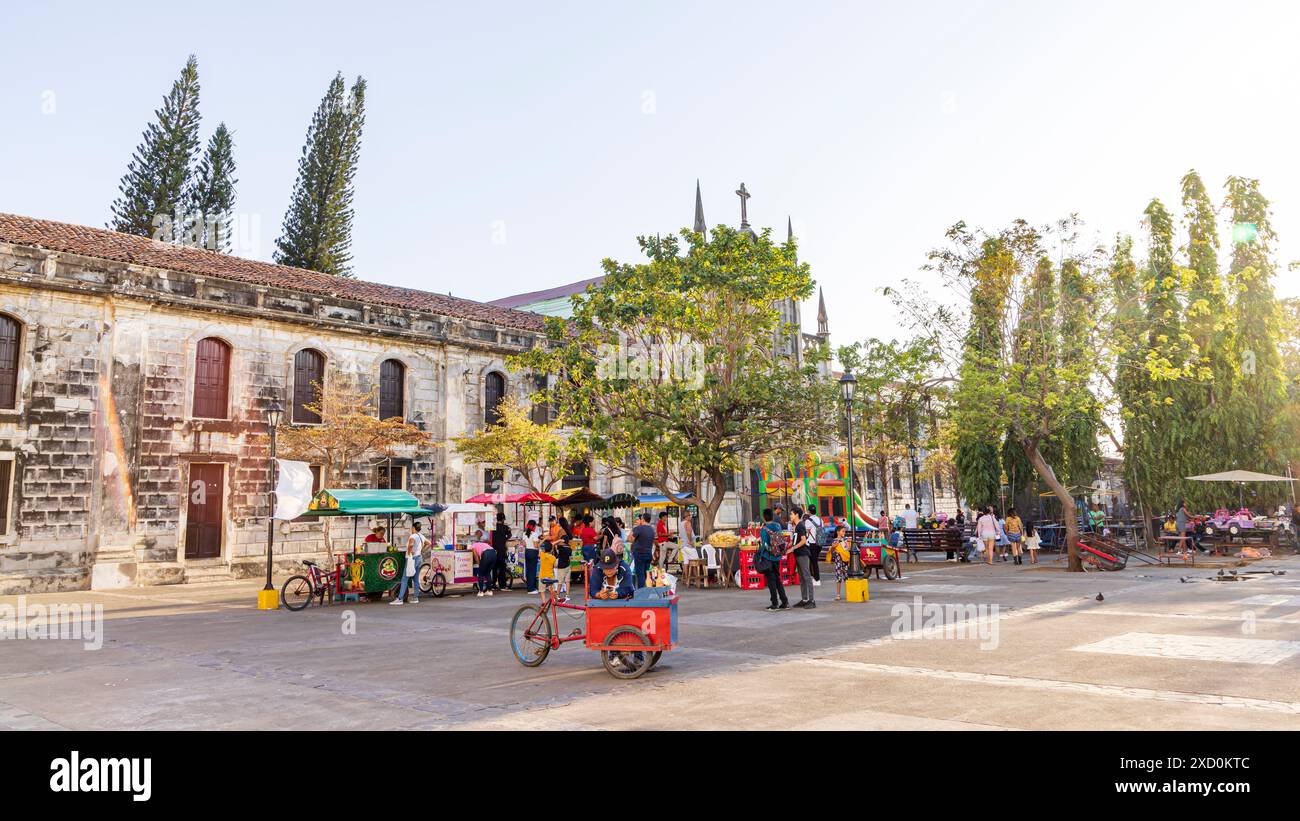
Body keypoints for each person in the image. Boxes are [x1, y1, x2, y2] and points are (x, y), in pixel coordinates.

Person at [757, 508, 789, 611]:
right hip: (778, 556)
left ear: (764, 517)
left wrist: (760, 550)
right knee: (777, 579)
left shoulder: (764, 529)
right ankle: (784, 602)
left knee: (771, 581)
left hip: (768, 557)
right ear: (772, 516)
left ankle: (774, 604)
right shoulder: (777, 526)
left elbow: (765, 545)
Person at [391, 521, 426, 605]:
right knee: (415, 579)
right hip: (419, 558)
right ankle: (415, 598)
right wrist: (421, 550)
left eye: (412, 528)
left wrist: (410, 553)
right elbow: (429, 543)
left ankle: (400, 599)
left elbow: (410, 545)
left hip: (412, 559)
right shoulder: (422, 536)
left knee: (405, 578)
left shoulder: (413, 536)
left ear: (413, 528)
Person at [788, 506, 817, 609]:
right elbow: (797, 539)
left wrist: (792, 548)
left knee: (807, 577)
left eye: (791, 514)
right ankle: (804, 599)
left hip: (803, 554)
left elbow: (803, 540)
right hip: (798, 554)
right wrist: (791, 545)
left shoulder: (800, 525)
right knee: (802, 578)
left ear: (796, 514)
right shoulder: (796, 526)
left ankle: (812, 600)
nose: (790, 515)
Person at [630, 512, 657, 588]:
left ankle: (641, 592)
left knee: (640, 574)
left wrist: (631, 534)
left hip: (639, 554)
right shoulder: (652, 529)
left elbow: (631, 539)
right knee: (645, 573)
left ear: (643, 519)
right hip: (648, 554)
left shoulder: (639, 528)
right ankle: (645, 590)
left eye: (641, 518)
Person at [828, 524, 851, 601]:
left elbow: (847, 549)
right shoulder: (835, 541)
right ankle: (838, 595)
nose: (844, 532)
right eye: (843, 531)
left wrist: (848, 543)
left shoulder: (845, 540)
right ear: (838, 532)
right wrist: (833, 547)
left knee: (847, 578)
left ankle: (849, 593)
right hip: (838, 561)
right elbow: (832, 552)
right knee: (839, 578)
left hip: (845, 561)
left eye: (845, 531)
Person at [554, 515, 574, 599]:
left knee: (559, 581)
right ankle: (567, 595)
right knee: (567, 581)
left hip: (562, 564)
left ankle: (557, 595)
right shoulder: (569, 548)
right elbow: (570, 557)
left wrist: (556, 542)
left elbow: (563, 540)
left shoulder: (561, 531)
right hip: (568, 564)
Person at [491, 513, 512, 591]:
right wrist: (504, 538)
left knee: (494, 568)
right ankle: (502, 584)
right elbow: (509, 535)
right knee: (502, 568)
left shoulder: (493, 527)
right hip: (502, 550)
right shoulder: (506, 527)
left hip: (494, 550)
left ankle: (493, 584)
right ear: (503, 519)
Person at [805, 509, 823, 586]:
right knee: (814, 561)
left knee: (813, 562)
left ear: (809, 511)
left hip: (812, 543)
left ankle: (817, 579)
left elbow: (807, 532)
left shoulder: (808, 521)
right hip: (819, 543)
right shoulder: (820, 520)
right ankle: (814, 577)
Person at [522, 519, 540, 594]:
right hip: (533, 552)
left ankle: (529, 587)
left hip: (527, 552)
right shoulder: (535, 534)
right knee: (532, 571)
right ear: (534, 526)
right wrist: (540, 543)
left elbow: (524, 544)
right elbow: (536, 545)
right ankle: (531, 589)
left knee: (528, 570)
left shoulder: (524, 533)